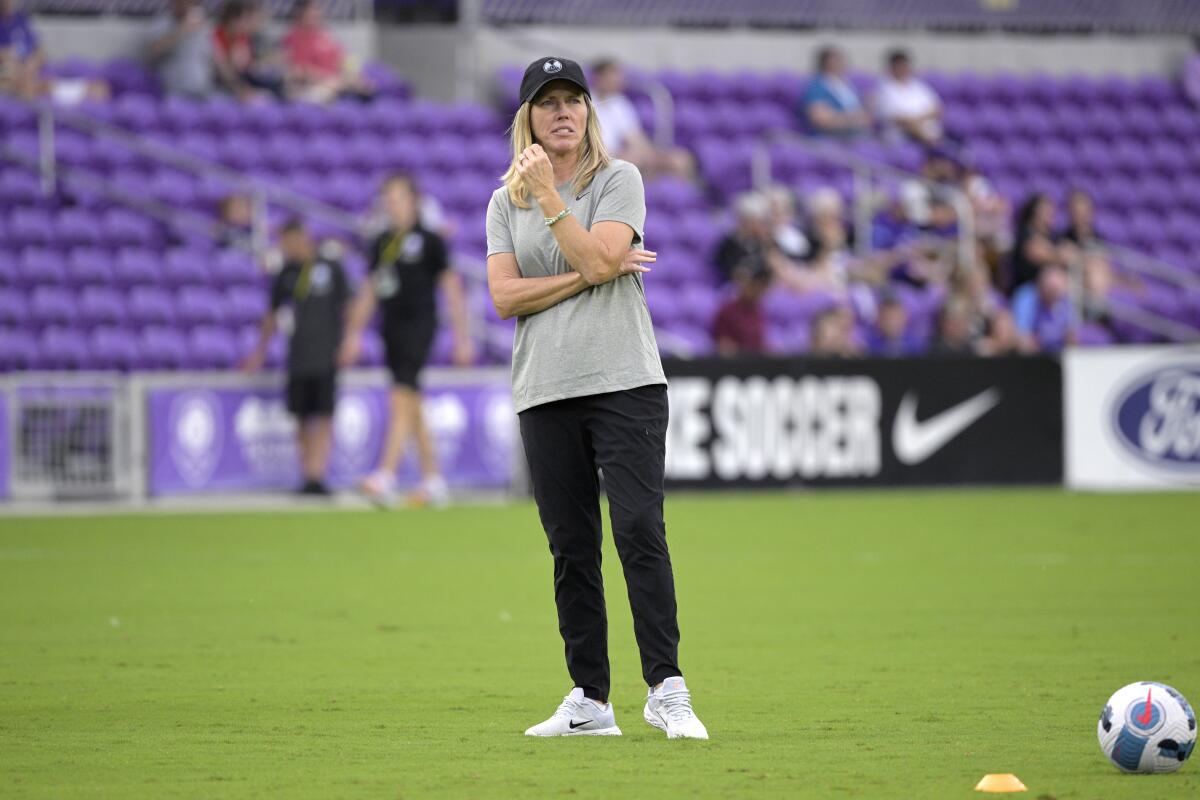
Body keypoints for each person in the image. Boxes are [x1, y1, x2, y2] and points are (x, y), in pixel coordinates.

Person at [485, 56, 708, 739]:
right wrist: (593, 271)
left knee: (639, 530)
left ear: (588, 111)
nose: (562, 111)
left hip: (625, 382)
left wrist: (554, 202)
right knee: (570, 548)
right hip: (544, 389)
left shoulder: (620, 179)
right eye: (547, 101)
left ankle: (666, 689)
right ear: (528, 116)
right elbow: (504, 297)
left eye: (572, 100)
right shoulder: (502, 202)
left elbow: (600, 260)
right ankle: (590, 700)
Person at [339, 174, 473, 508]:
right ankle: (433, 480)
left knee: (401, 395)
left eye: (398, 198)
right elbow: (370, 289)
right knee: (410, 401)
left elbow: (451, 288)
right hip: (391, 328)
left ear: (414, 201)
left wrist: (462, 337)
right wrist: (353, 334)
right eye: (388, 199)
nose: (392, 205)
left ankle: (386, 474)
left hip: (420, 326)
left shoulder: (430, 240)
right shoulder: (381, 242)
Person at [241, 219, 351, 496]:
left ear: (303, 238)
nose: (287, 248)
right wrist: (259, 353)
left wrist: (350, 340)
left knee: (324, 415)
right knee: (301, 416)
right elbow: (272, 316)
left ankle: (318, 473)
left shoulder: (330, 267)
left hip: (326, 354)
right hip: (298, 356)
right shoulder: (286, 273)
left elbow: (349, 305)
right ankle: (307, 474)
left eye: (290, 242)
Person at [590, 58, 694, 180]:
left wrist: (649, 153)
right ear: (599, 78)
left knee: (680, 160)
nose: (618, 80)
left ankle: (673, 196)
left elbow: (634, 136)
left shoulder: (620, 103)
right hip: (600, 157)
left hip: (624, 155)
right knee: (635, 160)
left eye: (618, 75)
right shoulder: (584, 103)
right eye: (612, 75)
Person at [283, 0, 371, 103]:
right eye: (312, 10)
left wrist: (354, 79)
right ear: (300, 13)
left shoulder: (327, 37)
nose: (317, 13)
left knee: (367, 89)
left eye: (318, 9)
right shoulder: (293, 39)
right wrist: (331, 80)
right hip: (311, 89)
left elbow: (342, 61)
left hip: (337, 85)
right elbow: (298, 71)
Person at [213, 0, 285, 100]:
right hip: (221, 87)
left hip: (244, 83)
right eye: (245, 19)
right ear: (232, 19)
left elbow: (248, 68)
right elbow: (226, 74)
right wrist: (243, 91)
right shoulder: (215, 38)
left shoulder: (242, 38)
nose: (247, 24)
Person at [145, 0, 215, 99]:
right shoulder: (162, 22)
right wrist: (183, 29)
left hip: (201, 89)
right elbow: (154, 50)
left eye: (190, 3)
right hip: (173, 91)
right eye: (181, 2)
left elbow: (211, 54)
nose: (185, 6)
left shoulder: (201, 23)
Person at [874, 49, 942, 146]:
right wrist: (920, 130)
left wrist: (919, 120)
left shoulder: (919, 86)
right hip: (903, 136)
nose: (903, 69)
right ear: (891, 68)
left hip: (929, 132)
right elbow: (898, 119)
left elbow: (937, 109)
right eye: (899, 66)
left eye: (904, 65)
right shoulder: (884, 89)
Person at [800, 46, 870, 138]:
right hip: (831, 139)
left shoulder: (847, 84)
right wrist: (852, 120)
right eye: (836, 60)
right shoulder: (817, 86)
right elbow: (820, 119)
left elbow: (864, 113)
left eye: (841, 59)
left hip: (856, 137)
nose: (840, 63)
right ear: (825, 63)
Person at [1009, 193, 1069, 293]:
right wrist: (1058, 254)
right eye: (1044, 210)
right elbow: (1037, 253)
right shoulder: (1025, 233)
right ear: (1034, 212)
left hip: (1051, 289)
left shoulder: (1053, 236)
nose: (1049, 214)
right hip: (1028, 289)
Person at [1011, 263, 1072, 352]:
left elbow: (1072, 335)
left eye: (1057, 289)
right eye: (1051, 289)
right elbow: (1021, 337)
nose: (1054, 294)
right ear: (1041, 285)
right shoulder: (1027, 298)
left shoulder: (1067, 300)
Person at [713, 269, 770, 356]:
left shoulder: (760, 311)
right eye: (752, 285)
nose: (756, 290)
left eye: (760, 286)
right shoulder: (728, 311)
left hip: (758, 363)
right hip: (737, 364)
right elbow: (724, 346)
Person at [866, 292, 921, 356]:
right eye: (886, 318)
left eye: (895, 318)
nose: (891, 323)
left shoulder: (918, 346)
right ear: (878, 320)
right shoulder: (869, 347)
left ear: (904, 317)